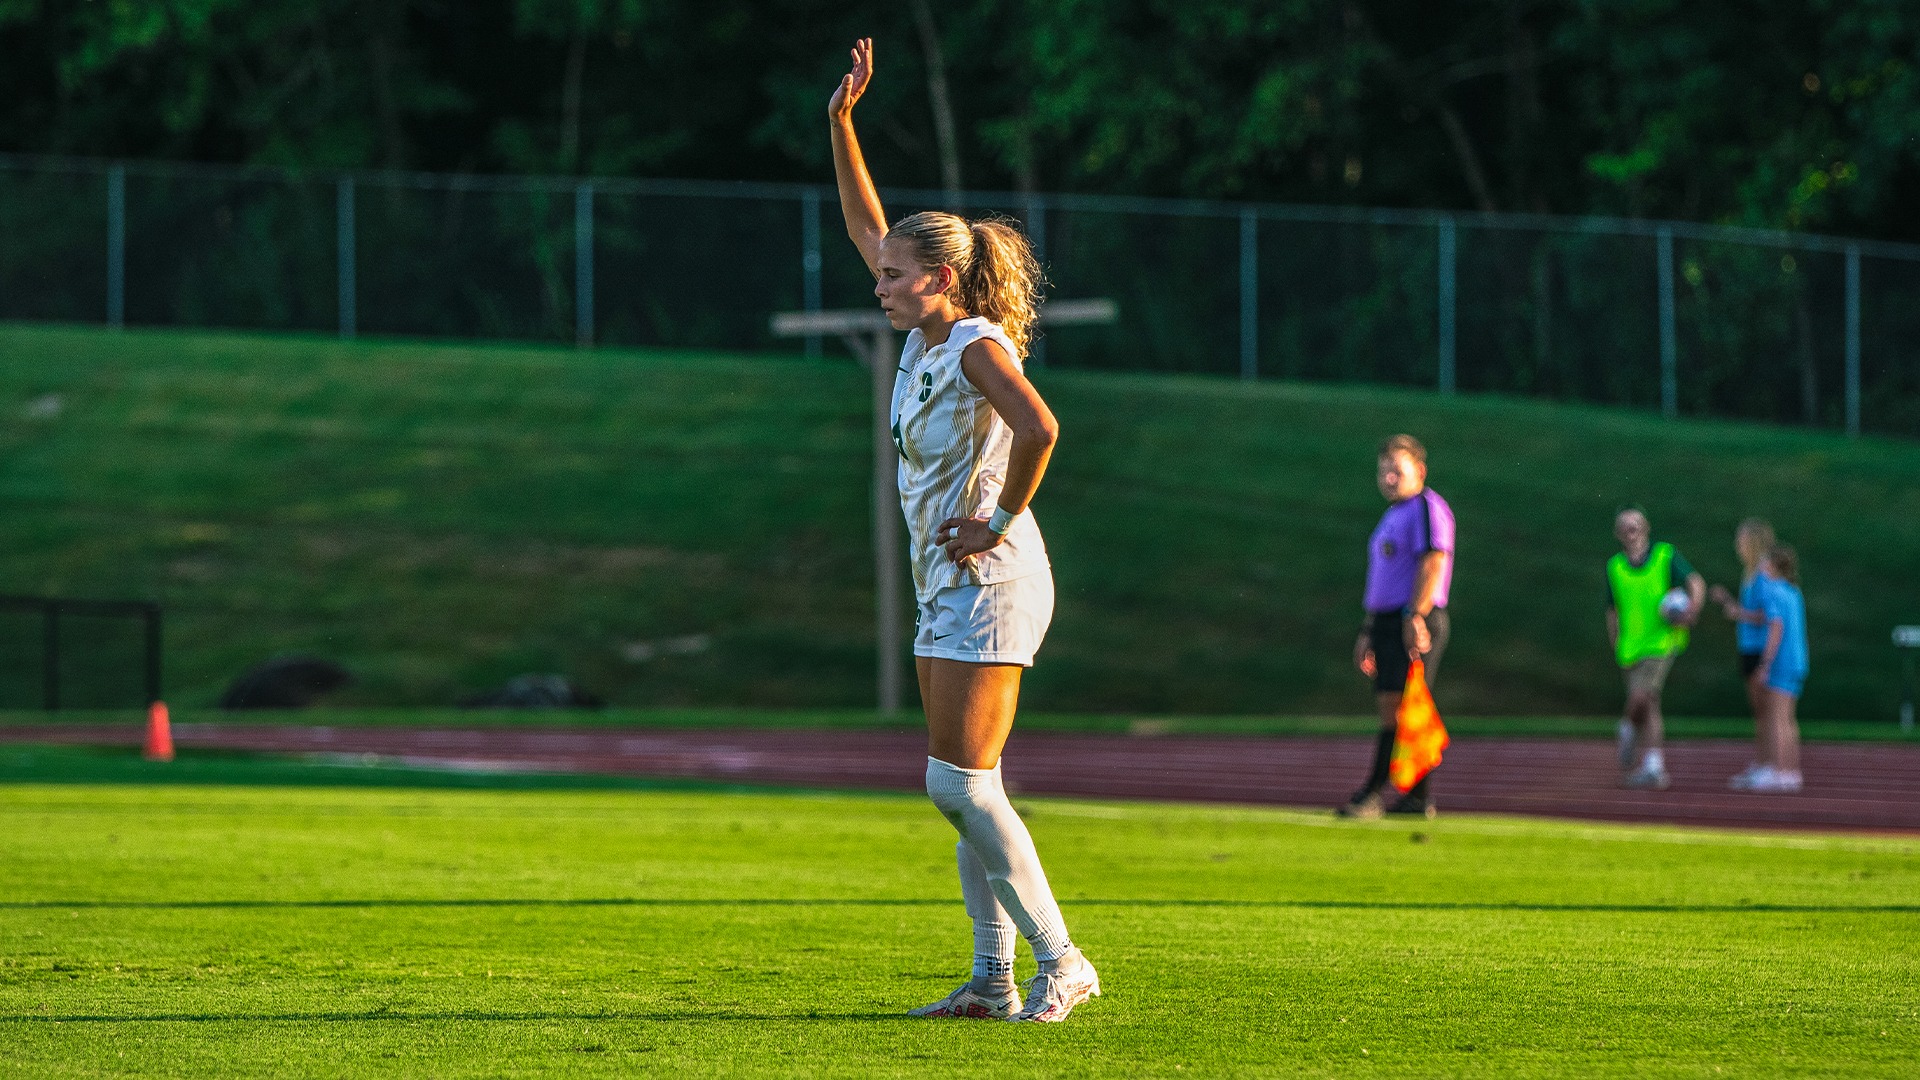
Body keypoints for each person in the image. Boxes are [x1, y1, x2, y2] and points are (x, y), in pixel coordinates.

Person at [827, 38, 1097, 1024]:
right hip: (952, 579)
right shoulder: (926, 333)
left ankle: (1061, 959)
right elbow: (865, 221)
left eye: (897, 275)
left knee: (955, 782)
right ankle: (991, 980)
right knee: (966, 784)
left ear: (942, 279)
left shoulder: (974, 343)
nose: (880, 282)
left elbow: (1041, 427)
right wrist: (842, 121)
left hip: (994, 578)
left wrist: (1000, 516)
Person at [1337, 434, 1454, 821]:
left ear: (1419, 471)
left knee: (1404, 707)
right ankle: (1417, 797)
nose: (1388, 478)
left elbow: (1432, 562)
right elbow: (1383, 578)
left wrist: (1414, 617)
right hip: (1387, 621)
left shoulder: (1425, 507)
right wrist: (1368, 630)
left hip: (1413, 618)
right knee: (1396, 709)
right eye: (1383, 470)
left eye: (1396, 470)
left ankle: (1371, 793)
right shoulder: (1393, 513)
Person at [1604, 508, 1704, 789]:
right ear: (1618, 534)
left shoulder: (1665, 555)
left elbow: (1696, 582)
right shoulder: (1616, 567)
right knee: (1649, 705)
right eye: (1625, 526)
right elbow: (1612, 610)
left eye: (1635, 525)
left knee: (1642, 696)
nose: (1631, 530)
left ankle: (1626, 729)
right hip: (1631, 646)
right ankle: (1653, 766)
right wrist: (1615, 644)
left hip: (1661, 643)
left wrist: (1691, 611)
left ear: (1646, 528)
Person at [1730, 544, 1809, 793]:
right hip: (1797, 659)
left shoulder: (1774, 591)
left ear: (1774, 566)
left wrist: (1765, 663)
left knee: (1776, 718)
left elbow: (1776, 627)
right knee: (1787, 719)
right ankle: (1790, 771)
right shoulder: (1793, 591)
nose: (1762, 567)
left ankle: (1778, 770)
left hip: (1781, 661)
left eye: (1766, 563)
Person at [1708, 517, 1778, 787]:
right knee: (1759, 712)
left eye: (1741, 539)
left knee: (1767, 711)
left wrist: (1738, 612)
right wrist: (1729, 602)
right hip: (1749, 647)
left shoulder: (1762, 573)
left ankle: (1771, 765)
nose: (1737, 544)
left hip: (1760, 648)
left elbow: (1767, 615)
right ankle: (1762, 763)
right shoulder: (1750, 573)